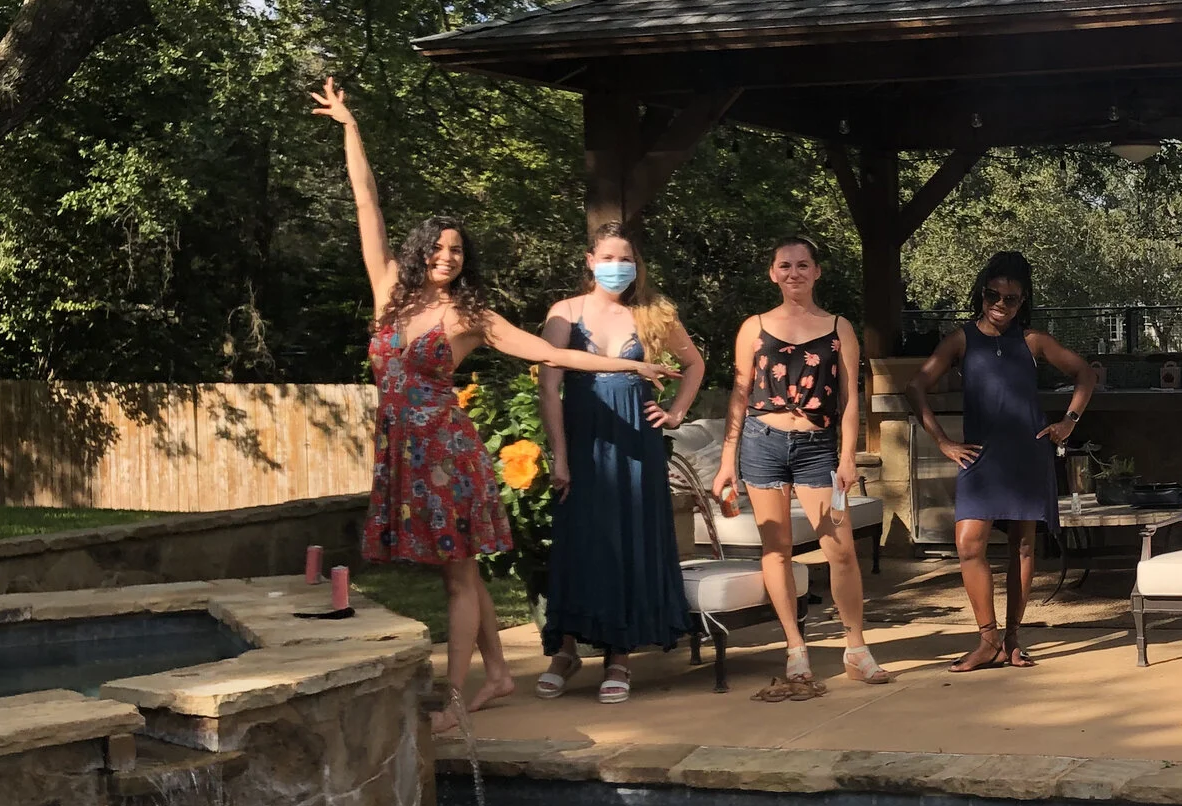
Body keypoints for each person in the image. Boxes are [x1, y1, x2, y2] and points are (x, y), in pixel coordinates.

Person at [309, 79, 652, 736]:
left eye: (456, 250)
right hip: (404, 452)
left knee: (456, 579)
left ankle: (458, 697)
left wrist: (628, 362)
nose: (446, 255)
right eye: (437, 247)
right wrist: (350, 125)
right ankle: (497, 673)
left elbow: (550, 355)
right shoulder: (388, 291)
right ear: (421, 251)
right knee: (458, 572)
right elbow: (366, 201)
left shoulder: (470, 313)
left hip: (447, 454)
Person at [905, 251, 1101, 672]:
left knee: (1023, 545)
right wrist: (941, 440)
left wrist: (1068, 421)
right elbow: (917, 385)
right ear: (982, 293)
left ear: (1023, 301)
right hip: (979, 457)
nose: (1000, 304)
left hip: (1026, 455)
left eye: (1011, 299)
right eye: (993, 294)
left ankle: (1012, 640)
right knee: (968, 544)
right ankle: (987, 639)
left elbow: (1086, 374)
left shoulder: (1033, 341)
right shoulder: (961, 339)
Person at [535, 226, 706, 704]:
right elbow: (549, 386)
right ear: (590, 260)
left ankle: (620, 656)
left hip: (637, 440)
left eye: (626, 257)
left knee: (631, 538)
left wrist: (674, 413)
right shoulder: (564, 312)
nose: (617, 265)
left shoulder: (653, 314)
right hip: (584, 441)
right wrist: (561, 455)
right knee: (580, 541)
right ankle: (564, 651)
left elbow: (694, 365)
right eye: (608, 256)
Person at [712, 237, 885, 695]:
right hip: (760, 442)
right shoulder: (754, 327)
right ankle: (795, 648)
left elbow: (850, 399)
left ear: (816, 272)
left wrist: (848, 456)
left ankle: (857, 648)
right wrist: (727, 460)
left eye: (803, 265)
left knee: (840, 548)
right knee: (777, 548)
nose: (794, 273)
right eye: (785, 266)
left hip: (815, 445)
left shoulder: (837, 327)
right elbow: (739, 394)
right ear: (773, 273)